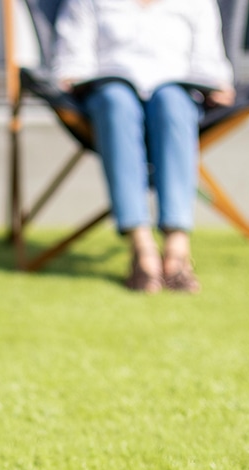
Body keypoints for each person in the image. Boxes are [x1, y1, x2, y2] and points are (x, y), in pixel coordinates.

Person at [52, 0, 235, 293]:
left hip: (175, 100)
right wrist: (75, 80)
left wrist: (217, 85)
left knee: (172, 101)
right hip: (109, 101)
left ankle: (177, 248)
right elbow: (71, 64)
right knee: (117, 101)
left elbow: (211, 66)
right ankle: (142, 248)